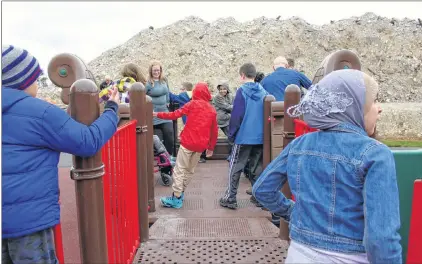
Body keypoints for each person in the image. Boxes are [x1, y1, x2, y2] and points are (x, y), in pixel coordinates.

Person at [253, 69, 402, 263]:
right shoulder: (376, 154)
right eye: (373, 101)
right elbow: (381, 239)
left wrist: (293, 211)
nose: (379, 108)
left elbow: (262, 190)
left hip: (298, 254)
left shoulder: (300, 144)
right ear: (355, 106)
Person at [2, 45, 120, 264]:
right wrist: (112, 109)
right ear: (23, 80)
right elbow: (87, 141)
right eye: (36, 78)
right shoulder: (38, 112)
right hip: (28, 221)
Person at [154, 82, 218, 208]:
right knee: (190, 170)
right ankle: (181, 192)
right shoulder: (212, 110)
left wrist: (157, 114)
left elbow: (174, 115)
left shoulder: (191, 104)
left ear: (195, 93)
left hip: (188, 143)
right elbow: (214, 132)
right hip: (200, 146)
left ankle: (176, 198)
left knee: (180, 169)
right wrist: (210, 148)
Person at [219, 63, 268, 210]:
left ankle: (231, 198)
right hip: (259, 137)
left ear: (242, 75)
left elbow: (236, 116)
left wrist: (232, 134)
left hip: (243, 136)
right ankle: (259, 197)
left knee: (235, 166)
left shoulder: (242, 91)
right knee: (256, 167)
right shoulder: (263, 91)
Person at [146, 60, 175, 160]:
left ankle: (169, 157)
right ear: (151, 71)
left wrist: (167, 101)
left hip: (164, 112)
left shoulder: (164, 80)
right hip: (153, 115)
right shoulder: (149, 83)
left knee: (170, 134)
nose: (156, 72)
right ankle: (161, 159)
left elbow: (167, 91)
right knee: (158, 139)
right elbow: (142, 96)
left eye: (158, 70)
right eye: (154, 70)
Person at [212, 81, 234, 162]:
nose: (222, 91)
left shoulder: (229, 96)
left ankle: (232, 155)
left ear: (227, 89)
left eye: (224, 89)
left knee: (231, 137)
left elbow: (231, 106)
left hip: (226, 119)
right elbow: (228, 107)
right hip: (220, 119)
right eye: (220, 89)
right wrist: (233, 109)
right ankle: (202, 155)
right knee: (210, 137)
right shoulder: (217, 97)